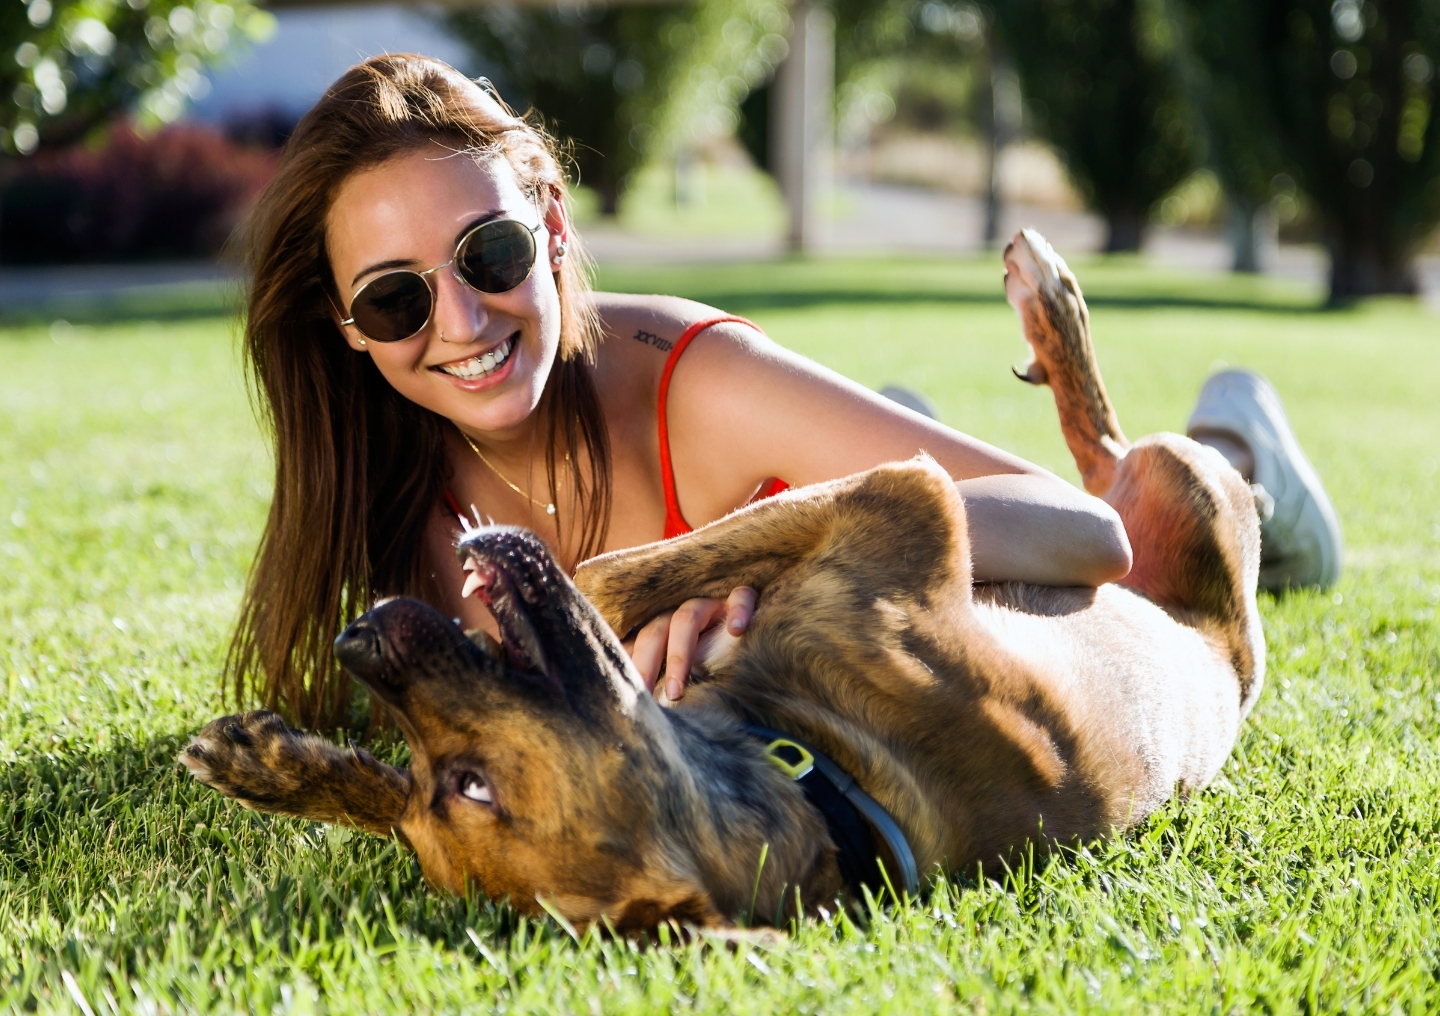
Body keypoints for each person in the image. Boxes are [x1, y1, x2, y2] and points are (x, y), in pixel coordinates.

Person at [225, 54, 1337, 730]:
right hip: (870, 518)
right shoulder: (372, 471)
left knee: (1155, 532)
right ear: (345, 327)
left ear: (554, 222)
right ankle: (898, 424)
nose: (461, 325)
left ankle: (1244, 447)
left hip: (954, 514)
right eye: (393, 302)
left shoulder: (693, 387)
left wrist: (763, 548)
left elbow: (1083, 532)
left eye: (491, 254)